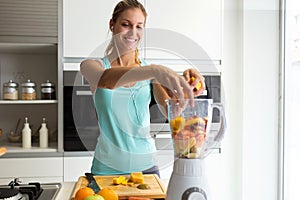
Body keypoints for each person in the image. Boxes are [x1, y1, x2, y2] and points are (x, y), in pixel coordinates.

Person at [80, 0, 205, 176]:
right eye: (126, 24)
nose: (133, 32)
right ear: (112, 25)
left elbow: (173, 112)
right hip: (107, 169)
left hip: (147, 169)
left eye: (139, 26)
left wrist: (190, 83)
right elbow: (104, 80)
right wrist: (154, 71)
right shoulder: (92, 65)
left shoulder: (149, 73)